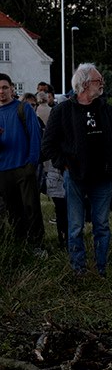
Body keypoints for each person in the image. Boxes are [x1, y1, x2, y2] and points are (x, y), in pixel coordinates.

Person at [41, 63, 112, 275]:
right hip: (75, 176)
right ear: (84, 84)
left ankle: (101, 268)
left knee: (101, 225)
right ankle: (79, 268)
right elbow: (48, 145)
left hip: (102, 177)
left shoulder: (104, 108)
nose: (102, 84)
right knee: (75, 226)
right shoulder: (63, 110)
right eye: (98, 81)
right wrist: (64, 165)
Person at [0, 73, 44, 249]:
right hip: (3, 170)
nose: (1, 91)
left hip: (23, 167)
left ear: (11, 88)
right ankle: (20, 245)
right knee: (13, 212)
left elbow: (35, 137)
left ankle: (36, 245)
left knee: (31, 209)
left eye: (4, 87)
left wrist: (31, 164)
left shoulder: (23, 109)